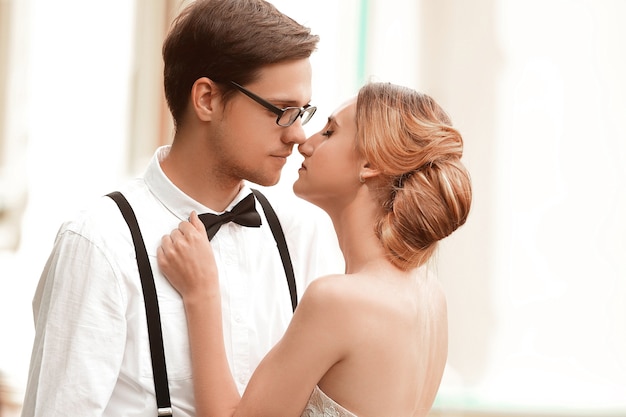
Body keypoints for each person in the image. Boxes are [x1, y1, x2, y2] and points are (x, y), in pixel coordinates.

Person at [20, 1, 342, 416]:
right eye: (282, 111)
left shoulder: (302, 234)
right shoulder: (100, 241)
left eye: (303, 112)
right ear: (207, 98)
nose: (298, 134)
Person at [158, 82, 473, 417]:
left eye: (329, 132)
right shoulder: (429, 294)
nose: (305, 144)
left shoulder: (339, 300)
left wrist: (201, 293)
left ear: (370, 165)